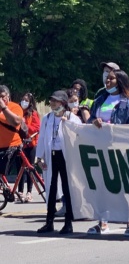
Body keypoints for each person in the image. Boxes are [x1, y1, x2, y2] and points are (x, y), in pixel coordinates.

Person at [86, 69, 129, 237]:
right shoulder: (100, 101)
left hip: (121, 150)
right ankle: (103, 221)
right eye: (106, 79)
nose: (107, 81)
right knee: (103, 186)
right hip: (101, 149)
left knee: (125, 186)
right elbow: (89, 121)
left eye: (111, 79)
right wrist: (94, 121)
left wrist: (116, 129)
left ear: (120, 81)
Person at [36, 90, 82, 234]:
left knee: (68, 189)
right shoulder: (47, 118)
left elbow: (79, 135)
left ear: (62, 103)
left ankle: (68, 222)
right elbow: (42, 138)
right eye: (51, 101)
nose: (52, 103)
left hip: (66, 157)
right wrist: (39, 157)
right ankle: (49, 222)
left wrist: (68, 125)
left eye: (55, 101)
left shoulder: (71, 118)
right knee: (51, 188)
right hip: (52, 155)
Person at [16, 93, 40, 203]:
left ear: (30, 102)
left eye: (26, 100)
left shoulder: (33, 114)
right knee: (19, 168)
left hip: (30, 144)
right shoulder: (18, 112)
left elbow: (36, 128)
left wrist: (25, 125)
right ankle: (20, 191)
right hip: (19, 144)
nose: (24, 102)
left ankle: (29, 192)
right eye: (22, 100)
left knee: (30, 169)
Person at [0, 86, 24, 180]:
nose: (0, 99)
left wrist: (4, 108)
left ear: (8, 96)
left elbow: (16, 122)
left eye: (2, 97)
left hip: (12, 146)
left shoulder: (14, 107)